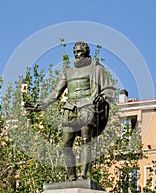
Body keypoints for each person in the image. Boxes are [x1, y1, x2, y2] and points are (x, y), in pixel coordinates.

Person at [37, 41, 115, 181]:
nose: (77, 55)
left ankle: (83, 175)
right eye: (75, 52)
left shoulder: (96, 69)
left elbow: (108, 89)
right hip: (70, 109)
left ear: (86, 52)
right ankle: (72, 177)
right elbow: (57, 91)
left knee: (86, 142)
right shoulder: (68, 71)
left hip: (87, 107)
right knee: (66, 145)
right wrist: (44, 104)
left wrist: (102, 98)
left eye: (79, 52)